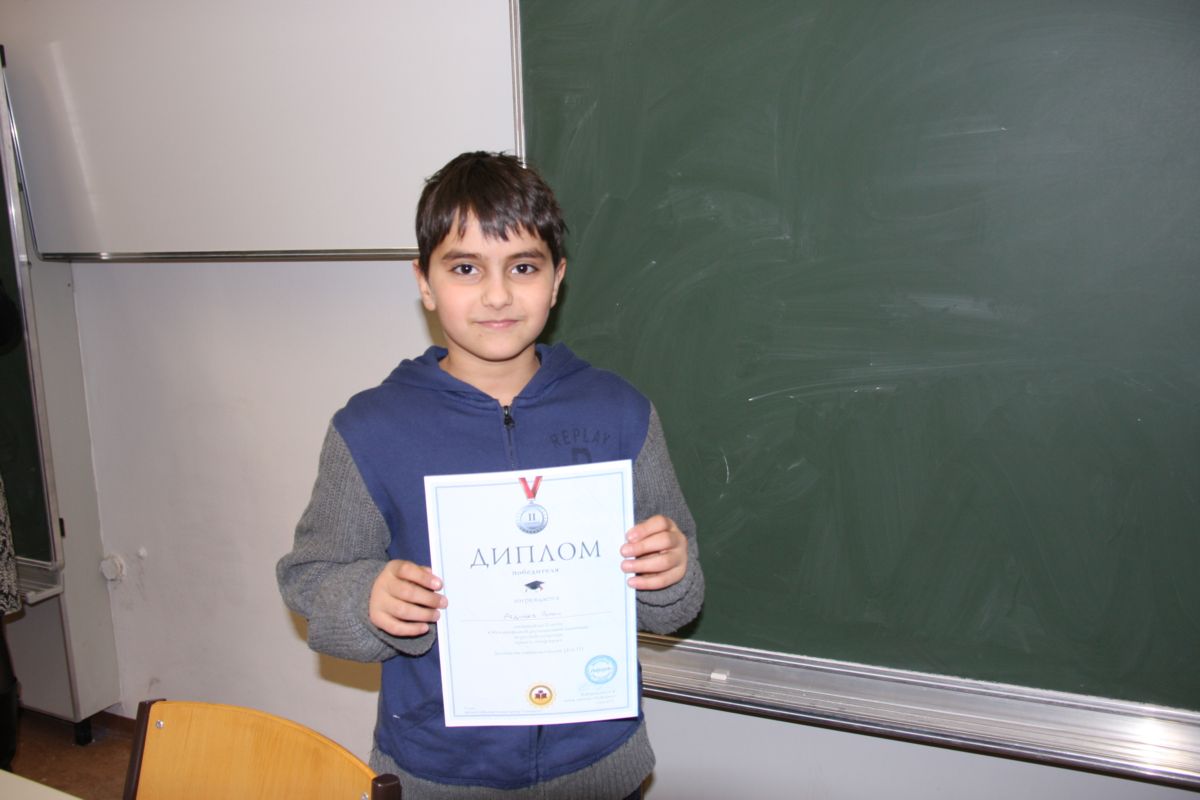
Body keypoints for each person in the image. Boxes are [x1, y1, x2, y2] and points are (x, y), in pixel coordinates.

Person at [277, 151, 703, 799]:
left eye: (523, 267)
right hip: (440, 771)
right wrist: (368, 598)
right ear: (424, 282)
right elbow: (310, 578)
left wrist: (670, 572)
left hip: (595, 766)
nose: (497, 294)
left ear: (557, 280)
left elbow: (677, 600)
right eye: (465, 268)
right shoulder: (370, 429)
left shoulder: (620, 413)